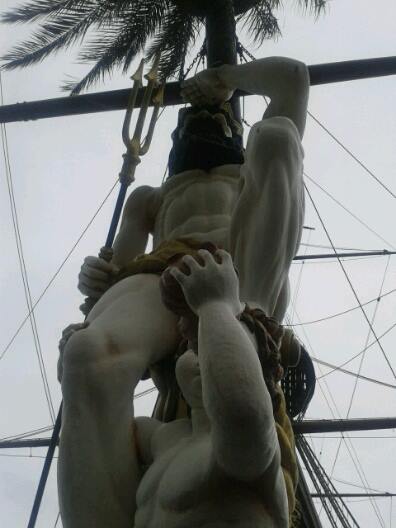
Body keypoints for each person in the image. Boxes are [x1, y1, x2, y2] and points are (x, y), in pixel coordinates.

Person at [58, 56, 308, 526]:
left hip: (240, 267)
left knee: (277, 137)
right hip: (162, 272)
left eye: (218, 118)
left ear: (234, 130)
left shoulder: (248, 169)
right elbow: (116, 272)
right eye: (192, 121)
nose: (206, 123)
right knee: (88, 357)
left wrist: (221, 82)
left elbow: (293, 78)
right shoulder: (150, 197)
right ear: (173, 145)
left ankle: (246, 320)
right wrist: (97, 274)